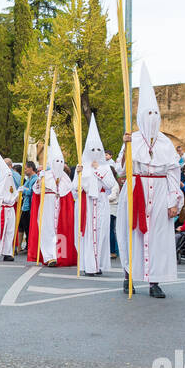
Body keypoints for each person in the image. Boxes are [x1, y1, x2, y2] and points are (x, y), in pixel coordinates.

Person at [116, 65, 182, 297]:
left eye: (156, 113)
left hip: (161, 193)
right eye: (148, 114)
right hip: (136, 190)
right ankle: (128, 275)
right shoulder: (132, 139)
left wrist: (175, 202)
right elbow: (121, 170)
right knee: (132, 234)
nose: (152, 118)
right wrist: (126, 148)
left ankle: (155, 281)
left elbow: (174, 174)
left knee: (158, 239)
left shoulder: (166, 144)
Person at [28, 130, 76, 267]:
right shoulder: (45, 175)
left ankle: (60, 255)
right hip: (47, 206)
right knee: (47, 230)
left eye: (61, 161)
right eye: (56, 161)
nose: (59, 163)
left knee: (59, 230)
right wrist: (40, 181)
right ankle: (49, 256)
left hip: (60, 207)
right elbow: (36, 191)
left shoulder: (66, 178)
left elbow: (70, 192)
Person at [76, 116, 115, 277]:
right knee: (88, 234)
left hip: (102, 203)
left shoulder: (105, 167)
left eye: (98, 150)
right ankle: (89, 265)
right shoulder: (82, 167)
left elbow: (111, 185)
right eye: (92, 150)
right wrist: (78, 175)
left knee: (101, 233)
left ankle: (98, 264)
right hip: (87, 204)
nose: (95, 153)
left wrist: (98, 169)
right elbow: (74, 189)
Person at [20, 161, 38, 251]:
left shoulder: (35, 179)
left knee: (29, 228)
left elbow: (31, 191)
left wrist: (23, 190)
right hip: (25, 206)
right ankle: (28, 245)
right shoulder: (29, 179)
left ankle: (31, 246)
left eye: (26, 168)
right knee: (26, 227)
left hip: (30, 206)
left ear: (31, 168)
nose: (25, 170)